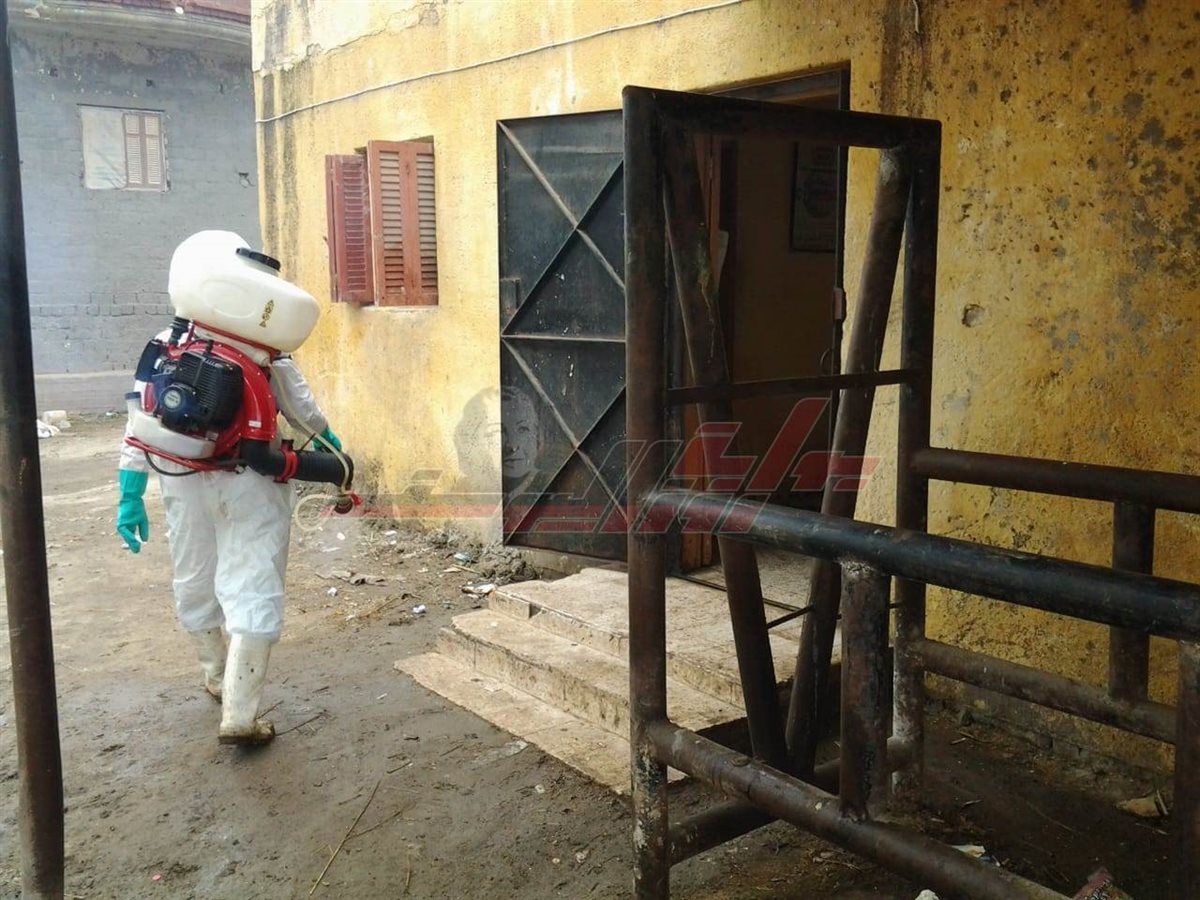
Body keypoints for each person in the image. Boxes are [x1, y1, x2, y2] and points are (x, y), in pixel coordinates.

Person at [116, 233, 342, 746]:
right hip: (252, 480)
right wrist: (335, 452)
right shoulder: (264, 350)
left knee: (193, 574)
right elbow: (305, 414)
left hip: (182, 475)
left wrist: (129, 492)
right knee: (253, 579)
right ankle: (240, 712)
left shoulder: (169, 341)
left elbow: (139, 421)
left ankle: (215, 675)